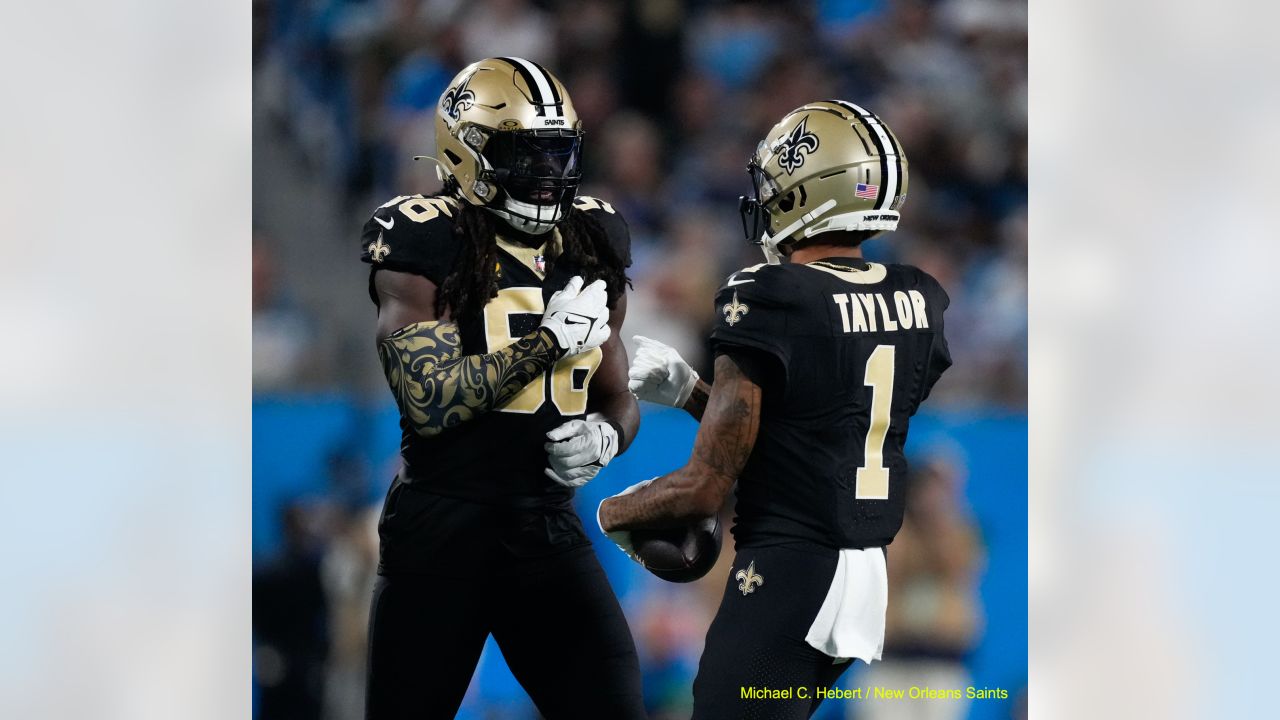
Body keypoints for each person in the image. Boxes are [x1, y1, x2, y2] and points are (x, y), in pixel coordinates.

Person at [598, 99, 953, 720]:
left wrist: (611, 512)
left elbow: (704, 488)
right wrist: (690, 394)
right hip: (863, 571)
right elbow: (805, 440)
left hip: (789, 568)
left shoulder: (769, 295)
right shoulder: (917, 296)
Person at [358, 57, 644, 719]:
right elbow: (429, 403)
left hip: (542, 524)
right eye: (525, 156)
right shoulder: (426, 236)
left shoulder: (592, 237)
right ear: (467, 151)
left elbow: (617, 393)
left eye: (558, 156)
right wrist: (544, 344)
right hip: (441, 530)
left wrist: (609, 435)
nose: (547, 176)